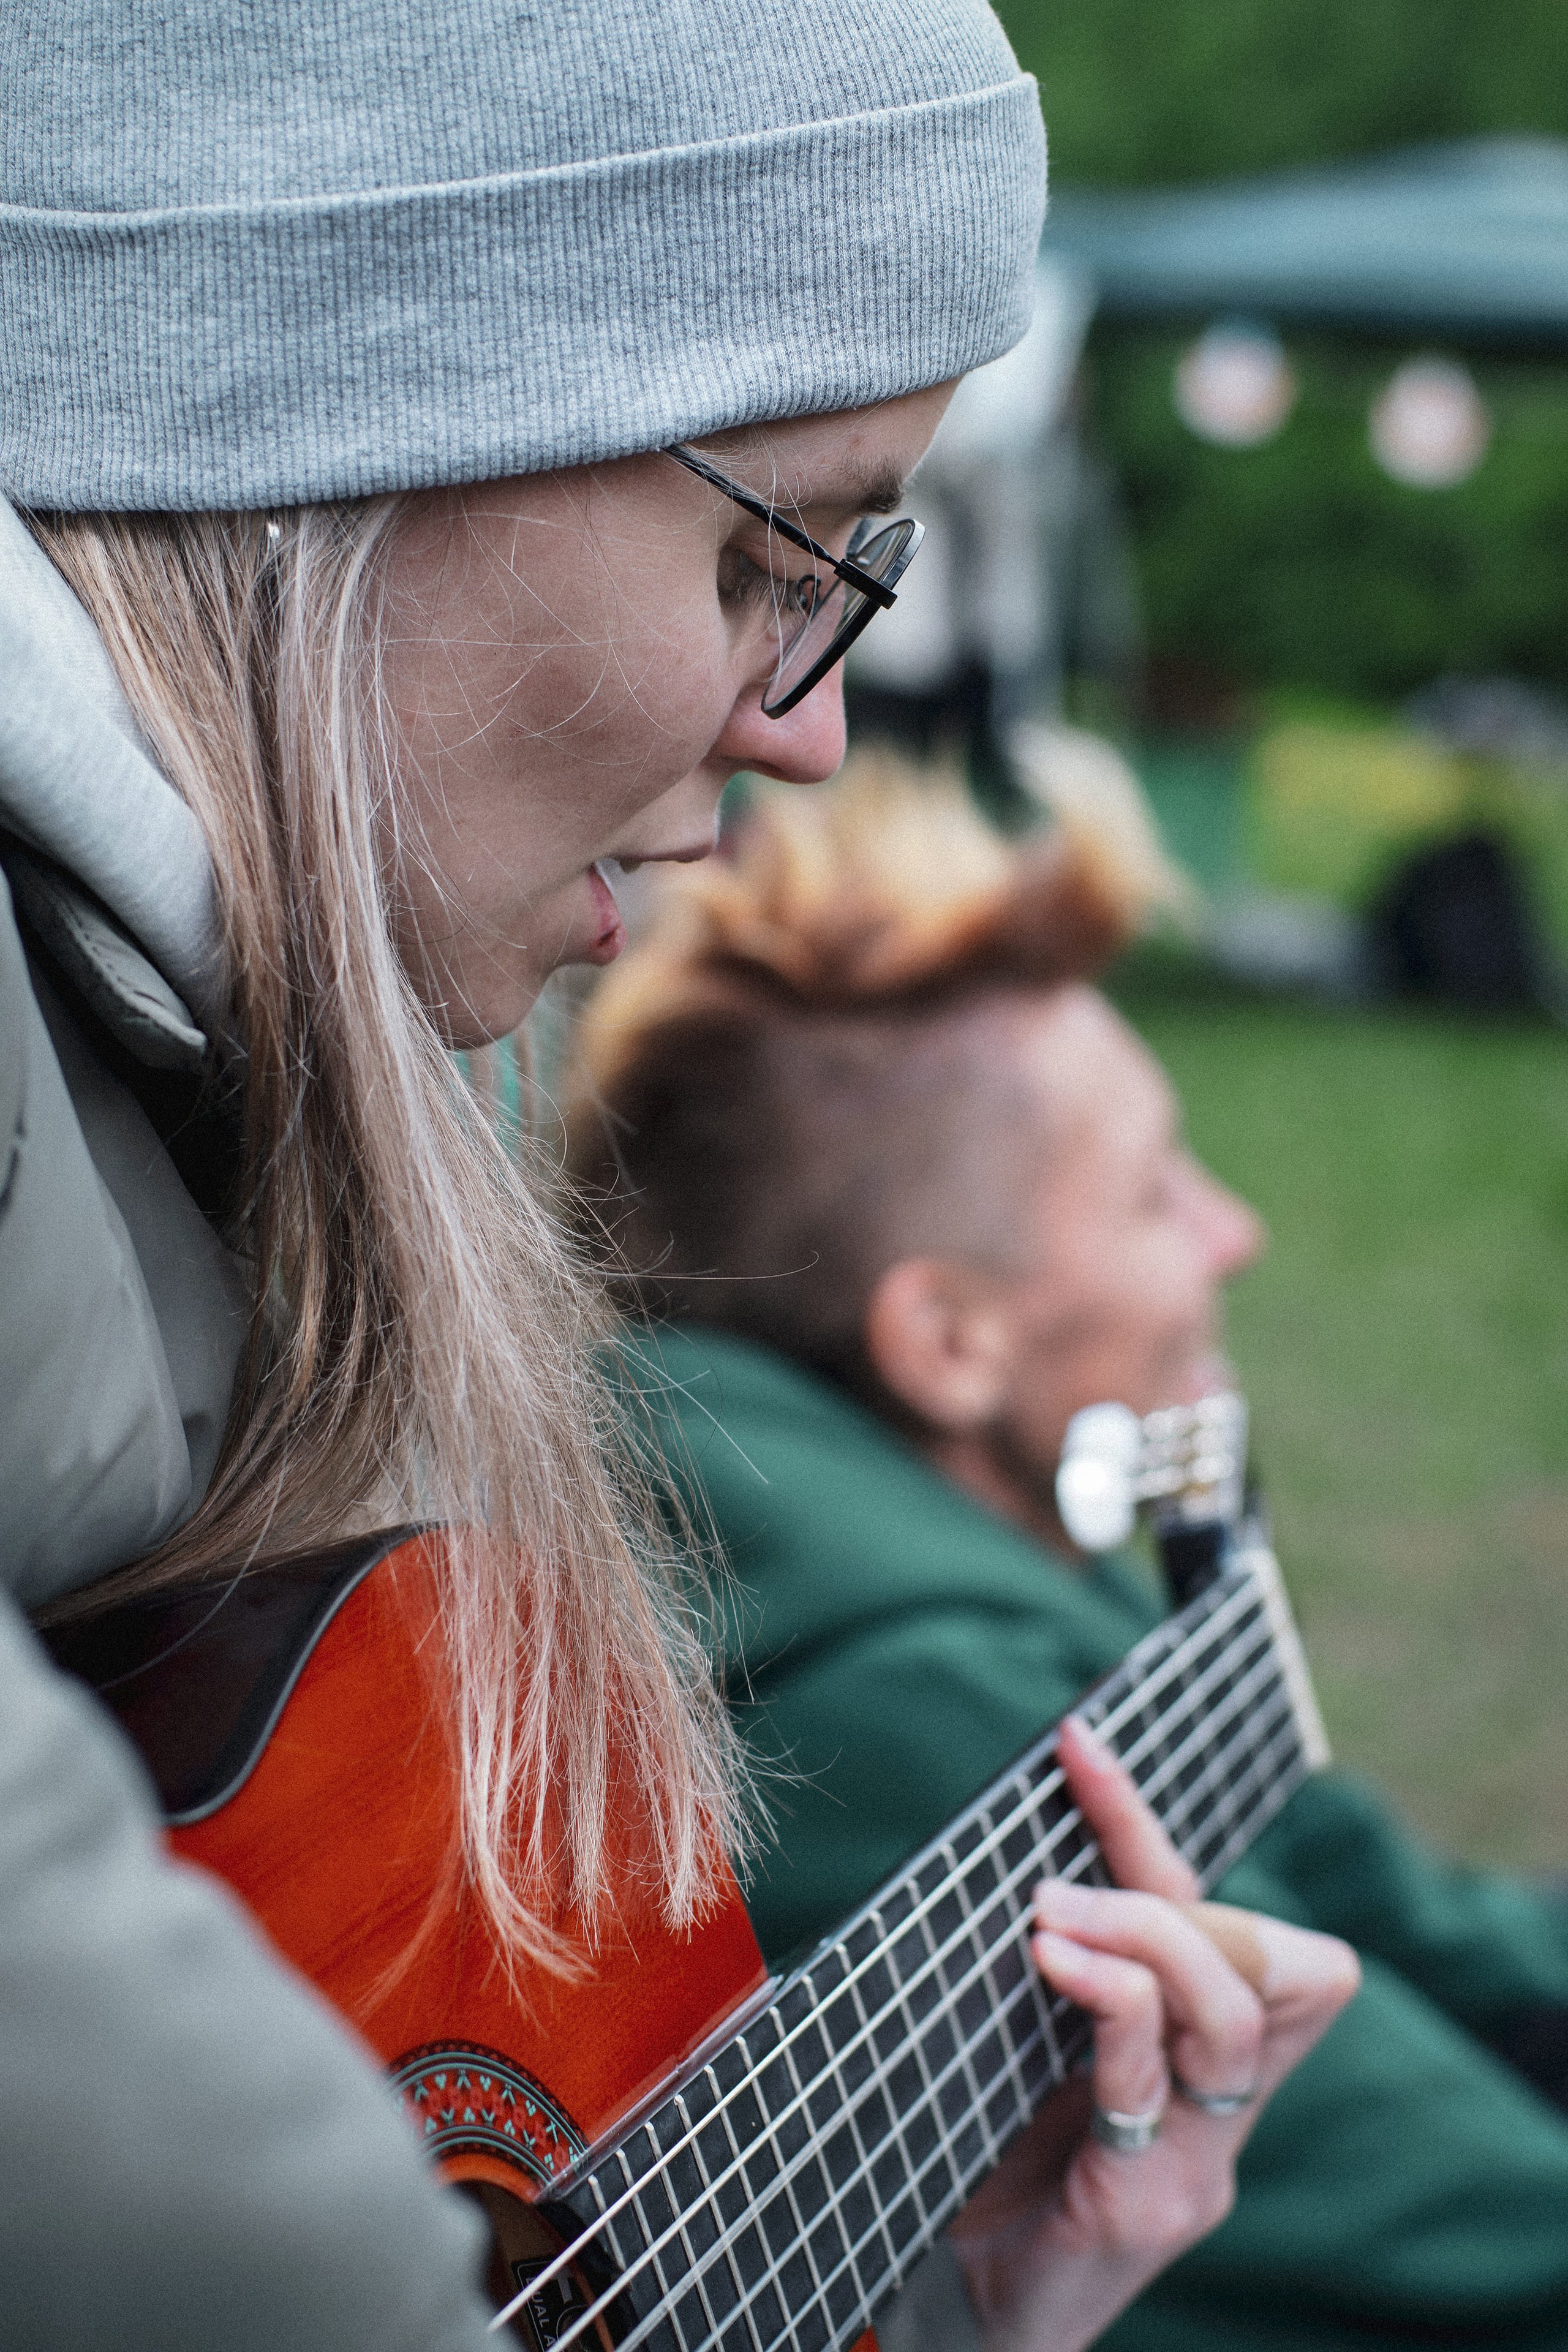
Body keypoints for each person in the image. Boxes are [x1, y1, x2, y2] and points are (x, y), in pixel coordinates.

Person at [0, 8, 1357, 2350]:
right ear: (365, 410)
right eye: (783, 556)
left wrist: (939, 2298)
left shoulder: (335, 1076)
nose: (810, 720)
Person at [566, 752, 1568, 2352]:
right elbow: (1485, 2229)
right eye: (1156, 1189)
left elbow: (1406, 1917)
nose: (1232, 1230)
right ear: (949, 1339)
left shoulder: (987, 1532)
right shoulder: (917, 1709)